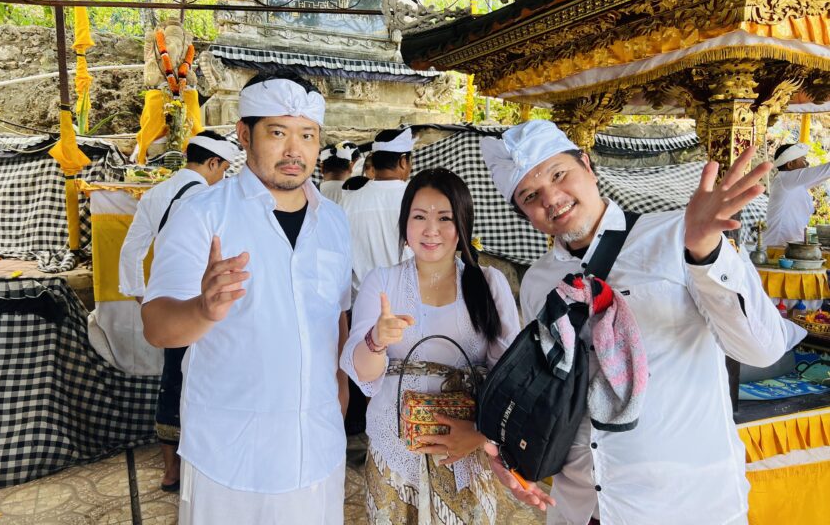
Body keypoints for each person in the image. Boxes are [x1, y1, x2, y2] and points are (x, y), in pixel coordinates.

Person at [480, 120, 790, 525]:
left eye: (558, 175)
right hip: (581, 508)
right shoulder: (539, 282)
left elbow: (763, 349)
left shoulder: (680, 235)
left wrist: (705, 253)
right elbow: (549, 387)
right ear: (523, 213)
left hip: (683, 508)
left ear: (587, 165)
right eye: (530, 196)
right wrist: (511, 455)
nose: (552, 199)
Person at [141, 70, 352, 525]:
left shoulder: (334, 222)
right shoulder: (202, 215)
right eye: (277, 133)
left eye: (307, 135)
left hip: (318, 449)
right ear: (243, 134)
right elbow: (157, 326)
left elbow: (335, 314)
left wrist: (339, 391)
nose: (294, 150)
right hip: (230, 456)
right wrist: (203, 309)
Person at [341, 168, 521, 524]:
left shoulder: (489, 284)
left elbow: (510, 379)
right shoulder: (383, 283)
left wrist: (479, 436)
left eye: (445, 218)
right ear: (405, 223)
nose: (431, 230)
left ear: (463, 224)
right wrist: (377, 340)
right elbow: (363, 374)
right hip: (394, 451)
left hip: (465, 452)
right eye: (420, 217)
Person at [118, 130, 237, 492]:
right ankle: (210, 467)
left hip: (171, 306)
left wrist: (142, 297)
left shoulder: (156, 194)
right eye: (223, 169)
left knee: (172, 383)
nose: (223, 177)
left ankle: (171, 471)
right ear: (213, 163)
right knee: (212, 382)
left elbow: (131, 250)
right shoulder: (215, 199)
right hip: (208, 305)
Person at [341, 128, 415, 297]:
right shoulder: (418, 199)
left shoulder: (348, 203)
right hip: (409, 298)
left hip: (364, 300)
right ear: (403, 161)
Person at [763, 142, 830, 247]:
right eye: (803, 160)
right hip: (777, 247)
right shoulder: (786, 178)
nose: (807, 164)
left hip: (792, 245)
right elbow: (826, 170)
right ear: (790, 164)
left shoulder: (793, 183)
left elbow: (823, 175)